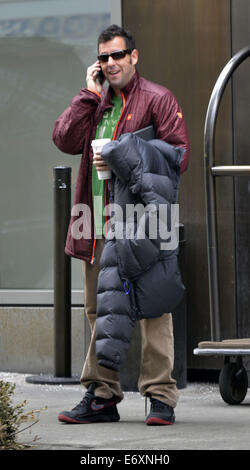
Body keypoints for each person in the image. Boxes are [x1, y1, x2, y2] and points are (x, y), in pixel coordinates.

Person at [52, 24, 190, 426]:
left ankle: (161, 397)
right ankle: (102, 396)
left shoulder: (158, 99)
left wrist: (121, 156)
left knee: (154, 309)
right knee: (99, 310)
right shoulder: (97, 101)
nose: (110, 63)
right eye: (103, 57)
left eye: (117, 55)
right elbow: (63, 137)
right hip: (94, 219)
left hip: (145, 221)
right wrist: (88, 96)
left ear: (134, 56)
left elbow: (178, 156)